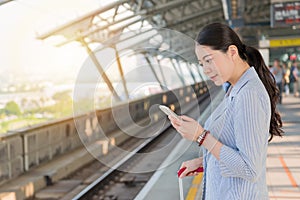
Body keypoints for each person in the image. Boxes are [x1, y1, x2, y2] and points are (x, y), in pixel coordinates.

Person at [169, 23, 283, 200]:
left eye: (209, 60)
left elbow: (249, 168)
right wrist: (204, 163)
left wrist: (201, 136)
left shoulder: (248, 94)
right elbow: (235, 150)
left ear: (232, 52)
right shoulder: (236, 89)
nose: (206, 70)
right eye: (201, 64)